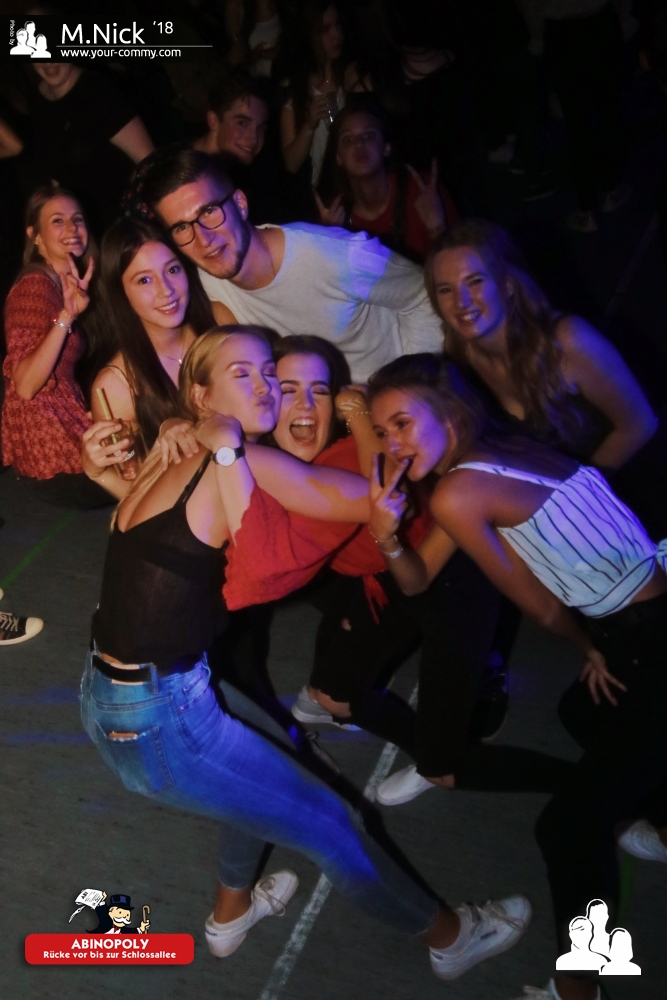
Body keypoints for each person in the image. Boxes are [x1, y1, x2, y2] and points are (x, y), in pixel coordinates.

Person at [80, 328, 531, 979]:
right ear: (202, 394)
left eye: (272, 373)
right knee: (332, 824)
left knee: (272, 758)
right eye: (247, 374)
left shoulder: (185, 450)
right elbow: (331, 522)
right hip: (158, 719)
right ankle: (452, 938)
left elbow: (148, 528)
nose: (269, 387)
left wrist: (184, 441)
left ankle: (231, 914)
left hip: (126, 692)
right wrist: (241, 442)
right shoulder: (226, 456)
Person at [366, 352, 667, 1000]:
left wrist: (589, 645)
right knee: (581, 712)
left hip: (645, 636)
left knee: (565, 828)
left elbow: (539, 605)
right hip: (645, 610)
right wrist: (386, 535)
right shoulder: (504, 449)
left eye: (401, 424)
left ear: (448, 412)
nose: (390, 444)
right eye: (381, 431)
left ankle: (578, 987)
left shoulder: (457, 491)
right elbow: (418, 577)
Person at [424, 219, 667, 542]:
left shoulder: (567, 340)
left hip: (635, 492)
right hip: (571, 522)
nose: (462, 301)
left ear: (507, 284)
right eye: (446, 289)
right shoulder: (460, 357)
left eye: (475, 281)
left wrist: (572, 497)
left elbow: (639, 426)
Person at [133, 147, 443, 382]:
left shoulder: (335, 254)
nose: (203, 239)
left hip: (399, 393)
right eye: (181, 227)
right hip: (328, 415)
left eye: (210, 212)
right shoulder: (203, 281)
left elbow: (426, 296)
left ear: (240, 203)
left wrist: (407, 385)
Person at [2, 183, 111, 509]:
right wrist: (66, 316)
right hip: (52, 452)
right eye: (58, 221)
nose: (72, 228)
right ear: (35, 236)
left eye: (77, 219)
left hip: (68, 436)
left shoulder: (63, 284)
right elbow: (25, 384)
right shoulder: (35, 287)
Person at [87, 217, 220, 464]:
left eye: (172, 270)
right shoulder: (115, 385)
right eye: (144, 280)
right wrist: (98, 469)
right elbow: (131, 477)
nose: (166, 290)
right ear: (120, 293)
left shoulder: (219, 321)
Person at [521, 0, 633, 232]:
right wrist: (624, 17)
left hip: (561, 32)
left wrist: (538, 36)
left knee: (577, 123)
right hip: (600, 21)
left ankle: (586, 208)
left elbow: (529, 4)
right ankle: (611, 188)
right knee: (608, 112)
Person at [315, 97, 458, 263]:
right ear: (338, 157)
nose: (359, 144)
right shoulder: (334, 216)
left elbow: (460, 265)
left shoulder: (424, 193)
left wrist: (437, 229)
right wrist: (329, 241)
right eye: (348, 139)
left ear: (386, 147)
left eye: (369, 136)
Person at [21, 62, 154, 233]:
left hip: (127, 225)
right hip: (82, 230)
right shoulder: (37, 100)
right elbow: (55, 170)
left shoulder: (97, 90)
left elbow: (149, 161)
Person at [193, 72, 288, 224]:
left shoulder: (257, 175)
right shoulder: (178, 171)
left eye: (261, 128)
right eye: (242, 123)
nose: (254, 139)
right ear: (213, 120)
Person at [278, 0, 346, 186]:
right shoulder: (296, 89)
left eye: (338, 24)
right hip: (319, 191)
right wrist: (309, 125)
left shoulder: (350, 77)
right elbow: (291, 164)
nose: (337, 34)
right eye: (326, 29)